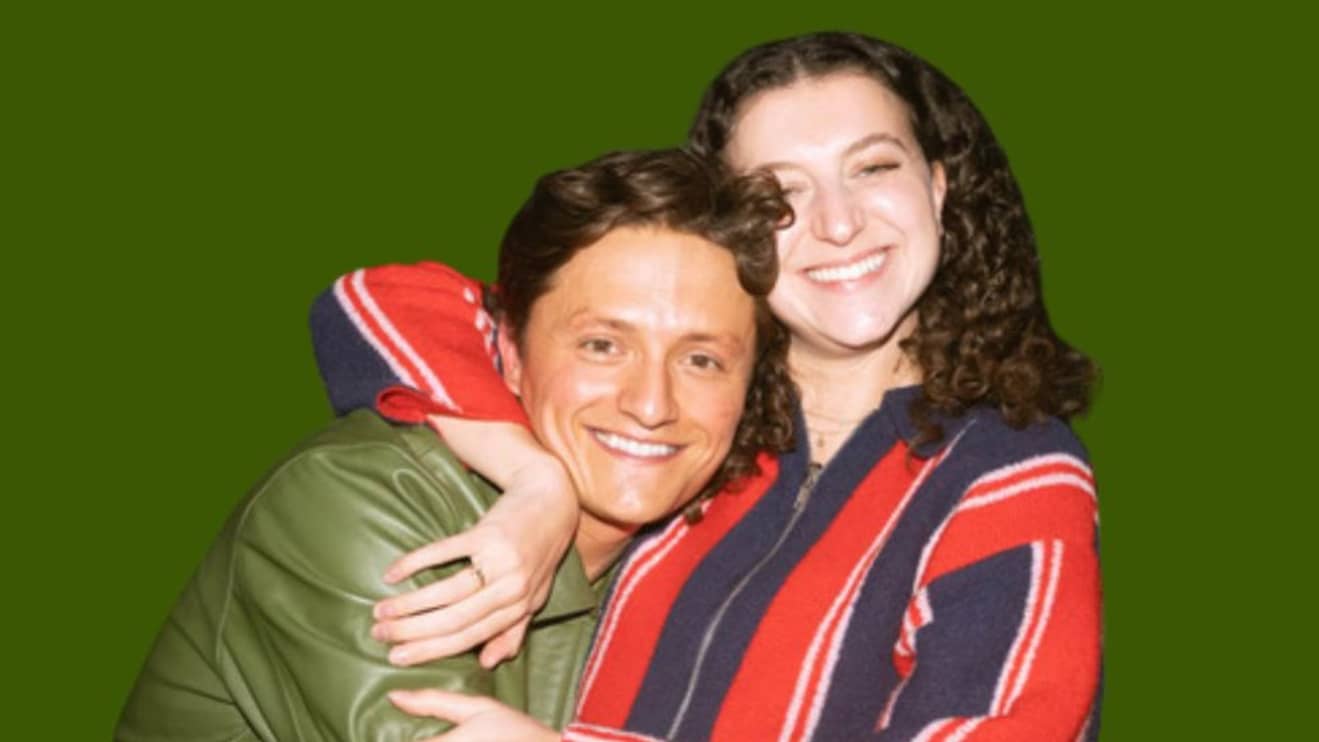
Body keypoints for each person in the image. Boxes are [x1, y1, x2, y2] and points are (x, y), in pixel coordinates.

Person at [315, 31, 1102, 740]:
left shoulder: (1010, 470)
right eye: (781, 192)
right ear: (734, 230)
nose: (838, 223)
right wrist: (534, 480)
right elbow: (374, 303)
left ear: (935, 188)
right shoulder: (692, 414)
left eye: (871, 168)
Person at [114, 148, 794, 740]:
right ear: (509, 352)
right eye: (601, 345)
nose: (650, 404)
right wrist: (538, 480)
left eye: (701, 360)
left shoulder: (711, 549)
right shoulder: (361, 502)